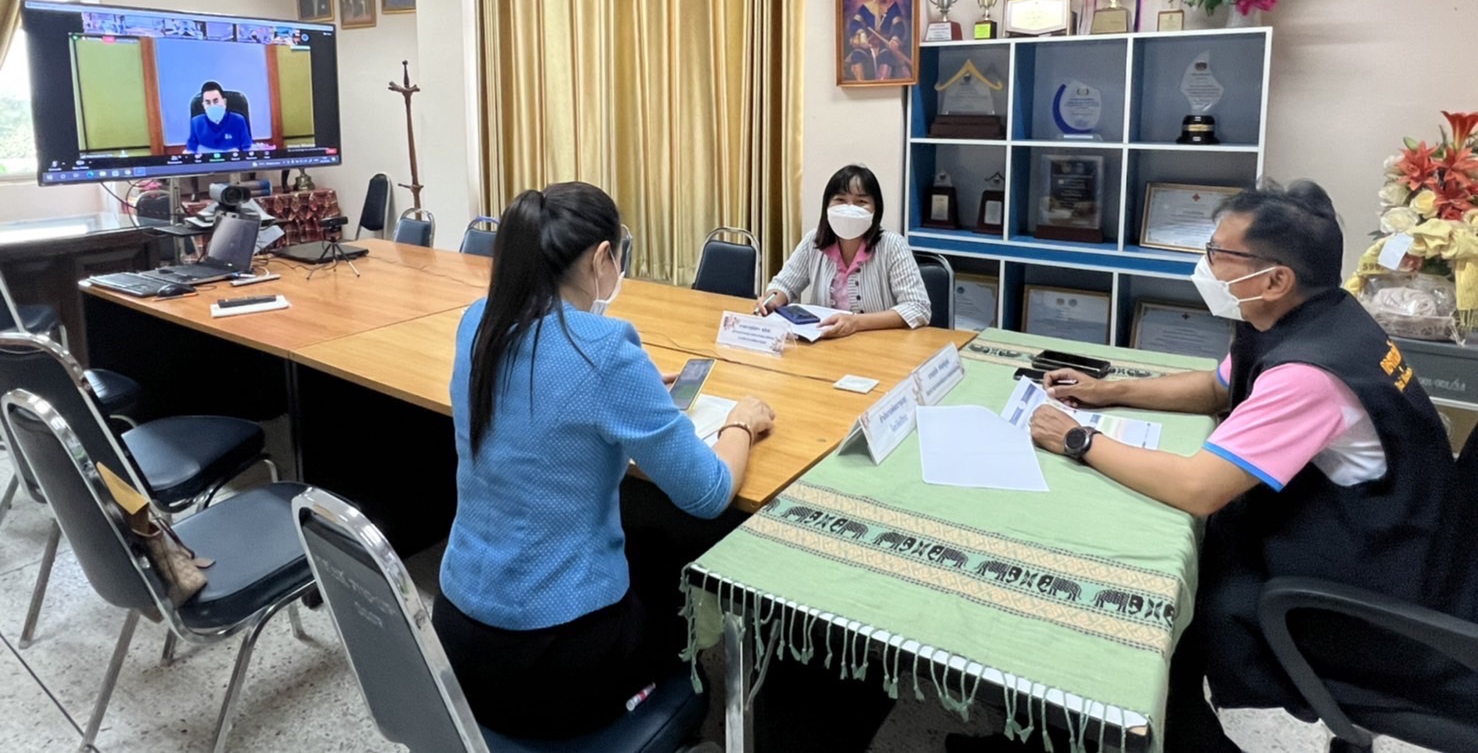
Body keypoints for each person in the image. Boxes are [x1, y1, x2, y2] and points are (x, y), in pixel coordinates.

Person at [949, 180, 1467, 753]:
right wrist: (1108, 390)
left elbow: (1199, 489)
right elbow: (1219, 387)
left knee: (1137, 590)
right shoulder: (1314, 317)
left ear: (1275, 280)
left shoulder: (1309, 376)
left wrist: (1076, 439)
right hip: (1390, 540)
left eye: (1219, 253)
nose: (1206, 265)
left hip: (1369, 588)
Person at [434, 182, 776, 740]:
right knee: (672, 567)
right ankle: (667, 709)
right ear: (601, 258)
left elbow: (545, 387)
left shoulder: (478, 320)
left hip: (457, 637)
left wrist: (635, 387)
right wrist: (741, 422)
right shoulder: (607, 350)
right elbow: (709, 492)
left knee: (647, 547)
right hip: (550, 663)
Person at [757, 164, 930, 336]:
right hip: (823, 342)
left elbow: (918, 307)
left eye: (861, 202)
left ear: (876, 209)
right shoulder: (813, 241)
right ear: (827, 206)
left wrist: (856, 323)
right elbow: (784, 284)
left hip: (878, 344)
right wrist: (772, 300)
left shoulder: (892, 245)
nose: (849, 208)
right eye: (840, 200)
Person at [185, 81, 251, 153]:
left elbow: (247, 148)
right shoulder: (196, 123)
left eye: (216, 101)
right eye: (208, 102)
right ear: (203, 105)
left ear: (224, 102)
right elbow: (190, 151)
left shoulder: (239, 120)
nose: (212, 106)